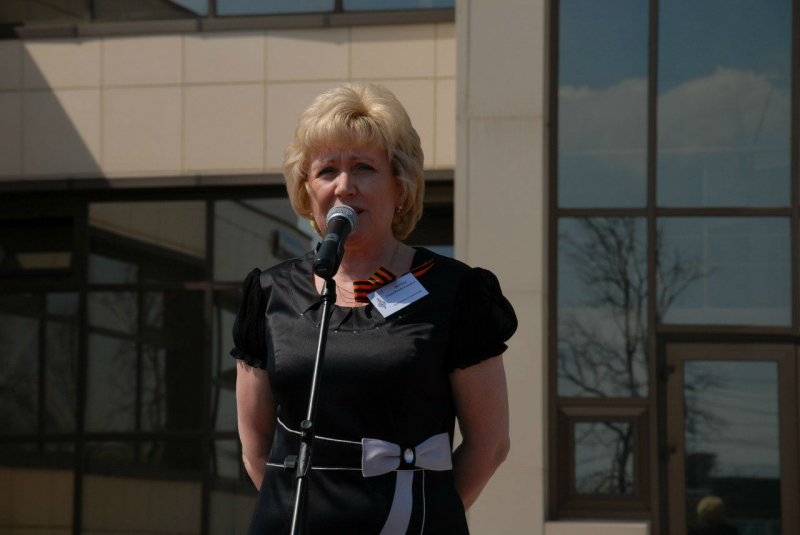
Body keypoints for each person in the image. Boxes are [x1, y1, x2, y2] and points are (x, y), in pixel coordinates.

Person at [231, 82, 517, 534]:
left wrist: (426, 513)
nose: (344, 187)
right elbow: (255, 449)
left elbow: (490, 445)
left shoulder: (456, 291)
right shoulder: (269, 294)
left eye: (364, 168)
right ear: (307, 189)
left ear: (401, 186)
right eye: (327, 171)